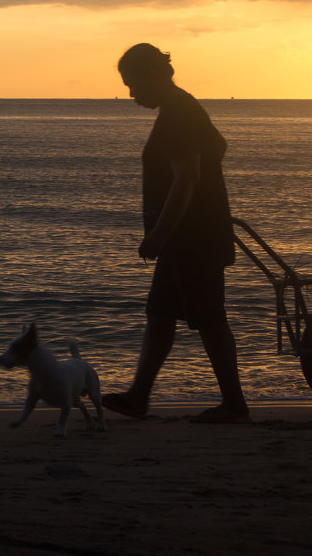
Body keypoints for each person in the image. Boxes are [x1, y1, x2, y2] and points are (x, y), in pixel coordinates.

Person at [103, 43, 251, 423]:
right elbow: (217, 148)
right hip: (184, 237)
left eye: (133, 84)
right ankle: (138, 395)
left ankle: (234, 405)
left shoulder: (179, 115)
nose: (131, 94)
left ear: (152, 76)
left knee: (210, 318)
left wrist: (159, 234)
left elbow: (187, 178)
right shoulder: (182, 108)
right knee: (161, 313)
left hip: (193, 238)